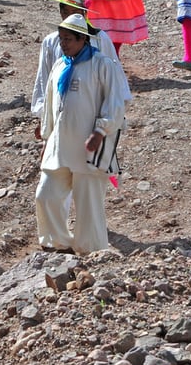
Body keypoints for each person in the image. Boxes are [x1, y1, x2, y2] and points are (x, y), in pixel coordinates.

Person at [36, 13, 126, 254]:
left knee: (88, 205)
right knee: (46, 195)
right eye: (61, 39)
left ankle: (91, 251)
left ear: (82, 40)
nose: (63, 44)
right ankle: (58, 243)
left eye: (68, 39)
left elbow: (115, 102)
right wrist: (47, 138)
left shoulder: (102, 65)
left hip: (89, 150)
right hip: (60, 147)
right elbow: (51, 107)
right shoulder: (59, 66)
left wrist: (100, 130)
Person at [31, 0, 129, 140]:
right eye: (65, 12)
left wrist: (111, 118)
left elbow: (113, 79)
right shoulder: (51, 42)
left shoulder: (100, 39)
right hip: (61, 114)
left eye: (74, 13)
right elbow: (45, 80)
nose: (69, 17)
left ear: (83, 14)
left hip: (92, 114)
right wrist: (43, 117)